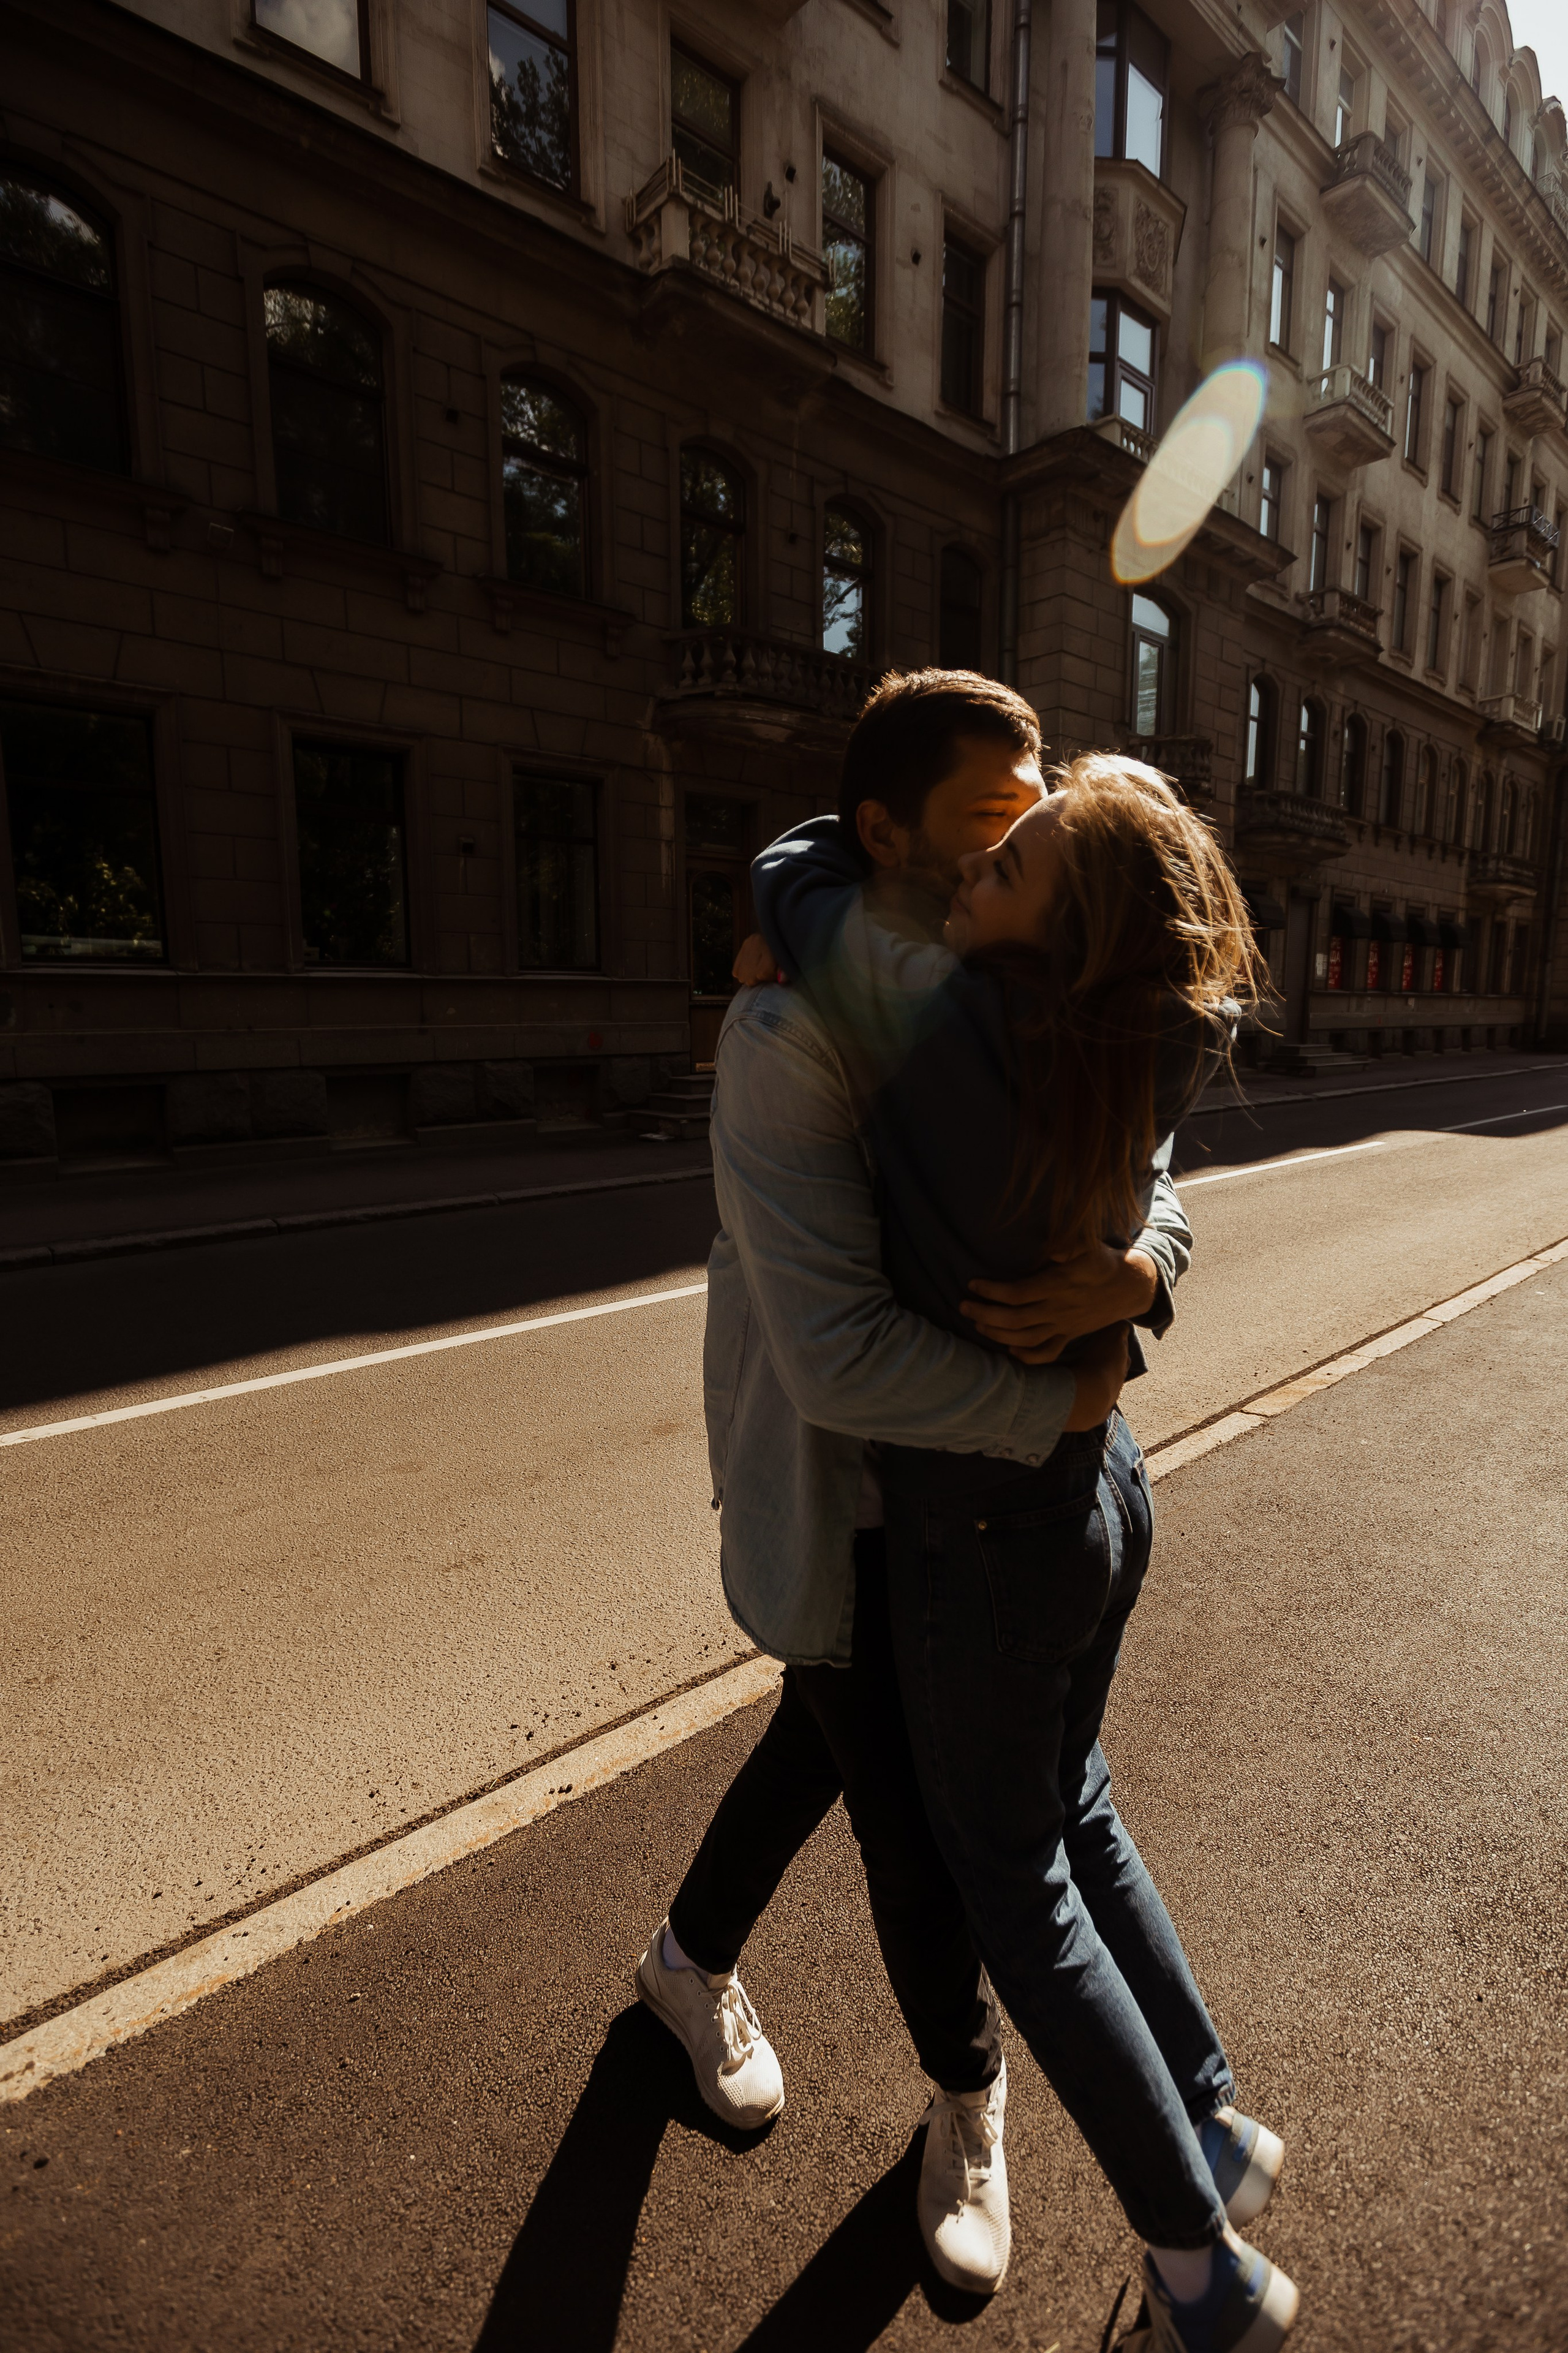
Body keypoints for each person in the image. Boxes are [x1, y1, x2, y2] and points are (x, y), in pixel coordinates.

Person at [633, 673, 1196, 2297]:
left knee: (832, 1744)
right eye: (991, 824)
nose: (1025, 845)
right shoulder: (788, 1029)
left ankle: (684, 1959)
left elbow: (1146, 1136)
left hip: (983, 1511)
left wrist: (1145, 1266)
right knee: (926, 1829)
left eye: (1033, 817)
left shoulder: (1017, 983)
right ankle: (969, 2091)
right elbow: (836, 1362)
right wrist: (1062, 1399)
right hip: (862, 1505)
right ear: (885, 836)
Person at [749, 721, 1297, 2352]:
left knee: (1017, 1886)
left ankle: (1202, 2271)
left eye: (1019, 859)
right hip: (1104, 1488)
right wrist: (1143, 1273)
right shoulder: (1144, 1034)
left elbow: (795, 875)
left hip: (986, 1522)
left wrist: (803, 888)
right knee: (1078, 1808)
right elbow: (1162, 1175)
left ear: (1063, 942)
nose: (984, 860)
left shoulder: (938, 1030)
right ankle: (1210, 2120)